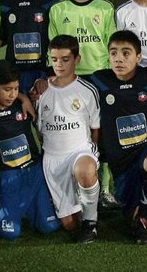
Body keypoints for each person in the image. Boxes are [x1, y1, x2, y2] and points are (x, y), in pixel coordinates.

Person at [87, 31, 147, 244]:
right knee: (129, 214)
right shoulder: (98, 80)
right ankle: (142, 209)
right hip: (121, 162)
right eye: (114, 53)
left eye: (126, 53)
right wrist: (41, 85)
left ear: (138, 57)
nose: (119, 58)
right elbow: (69, 85)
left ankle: (144, 221)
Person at [0, 61, 57, 240]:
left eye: (16, 89)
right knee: (10, 233)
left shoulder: (22, 103)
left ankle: (31, 208)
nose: (12, 94)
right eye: (7, 89)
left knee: (49, 226)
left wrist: (24, 98)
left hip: (34, 170)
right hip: (9, 176)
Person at [36, 35, 103, 242]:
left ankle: (91, 223)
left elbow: (95, 129)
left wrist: (91, 154)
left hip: (79, 151)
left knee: (86, 170)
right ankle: (84, 200)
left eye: (65, 59)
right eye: (55, 59)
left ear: (77, 59)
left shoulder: (87, 90)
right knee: (70, 225)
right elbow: (39, 129)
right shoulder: (41, 91)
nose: (59, 64)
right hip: (52, 158)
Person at [47, 0, 116, 76]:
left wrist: (111, 71)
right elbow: (51, 47)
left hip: (100, 73)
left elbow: (113, 44)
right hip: (69, 74)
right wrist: (52, 72)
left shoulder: (105, 7)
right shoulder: (57, 10)